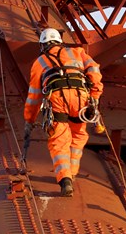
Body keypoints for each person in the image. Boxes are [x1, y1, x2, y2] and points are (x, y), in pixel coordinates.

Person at [23, 27, 103, 196]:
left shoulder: (40, 62)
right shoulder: (77, 52)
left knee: (59, 140)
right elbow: (94, 69)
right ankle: (72, 173)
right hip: (80, 98)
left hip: (58, 99)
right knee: (79, 135)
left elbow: (34, 96)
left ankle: (65, 179)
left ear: (43, 45)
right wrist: (95, 96)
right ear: (59, 41)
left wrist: (29, 120)